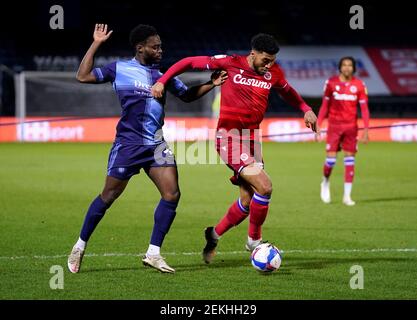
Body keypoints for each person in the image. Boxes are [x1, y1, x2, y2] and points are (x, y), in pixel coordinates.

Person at [67, 23, 227, 273]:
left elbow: (186, 95)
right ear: (140, 48)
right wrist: (97, 43)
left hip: (155, 144)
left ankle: (153, 253)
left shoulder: (163, 74)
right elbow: (83, 76)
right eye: (155, 47)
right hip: (128, 145)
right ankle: (79, 245)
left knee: (172, 194)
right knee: (108, 196)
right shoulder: (119, 69)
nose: (161, 50)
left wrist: (211, 84)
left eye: (161, 46)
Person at [151, 33, 318, 264]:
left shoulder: (273, 73)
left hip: (252, 140)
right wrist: (162, 81)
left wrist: (305, 108)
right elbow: (188, 62)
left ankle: (214, 234)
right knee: (265, 186)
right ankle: (254, 241)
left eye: (272, 61)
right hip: (229, 138)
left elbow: (287, 90)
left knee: (248, 200)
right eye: (265, 60)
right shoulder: (230, 63)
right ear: (253, 54)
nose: (269, 65)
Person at [316, 56, 370, 206]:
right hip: (334, 127)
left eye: (350, 65)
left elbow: (364, 109)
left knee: (350, 160)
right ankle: (325, 181)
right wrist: (318, 125)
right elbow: (324, 106)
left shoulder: (359, 84)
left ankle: (347, 196)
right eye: (344, 65)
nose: (347, 68)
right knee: (331, 160)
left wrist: (366, 129)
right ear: (340, 67)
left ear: (353, 68)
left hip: (351, 127)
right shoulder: (331, 83)